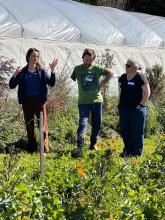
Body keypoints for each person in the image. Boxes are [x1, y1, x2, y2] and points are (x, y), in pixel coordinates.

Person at [9, 48, 58, 153]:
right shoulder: (22, 72)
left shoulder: (42, 71)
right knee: (29, 125)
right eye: (33, 56)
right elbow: (12, 85)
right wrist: (14, 74)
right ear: (28, 57)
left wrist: (53, 70)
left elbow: (51, 83)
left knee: (42, 125)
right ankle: (32, 147)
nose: (36, 58)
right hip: (27, 102)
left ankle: (44, 148)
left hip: (40, 101)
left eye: (37, 56)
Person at [71, 48, 113, 158]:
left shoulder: (97, 68)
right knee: (83, 122)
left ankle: (93, 144)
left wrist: (102, 83)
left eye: (90, 60)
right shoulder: (77, 69)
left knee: (97, 123)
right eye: (86, 59)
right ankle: (80, 146)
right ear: (83, 58)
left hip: (97, 101)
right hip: (83, 102)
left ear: (93, 59)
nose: (88, 62)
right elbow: (73, 78)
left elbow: (110, 72)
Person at [118, 58, 151, 157]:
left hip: (137, 110)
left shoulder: (140, 77)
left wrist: (140, 105)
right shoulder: (123, 77)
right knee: (125, 130)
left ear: (134, 68)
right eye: (126, 65)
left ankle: (136, 153)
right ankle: (127, 150)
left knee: (137, 131)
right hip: (124, 109)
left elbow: (147, 92)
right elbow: (121, 91)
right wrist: (120, 104)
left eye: (128, 66)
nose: (126, 67)